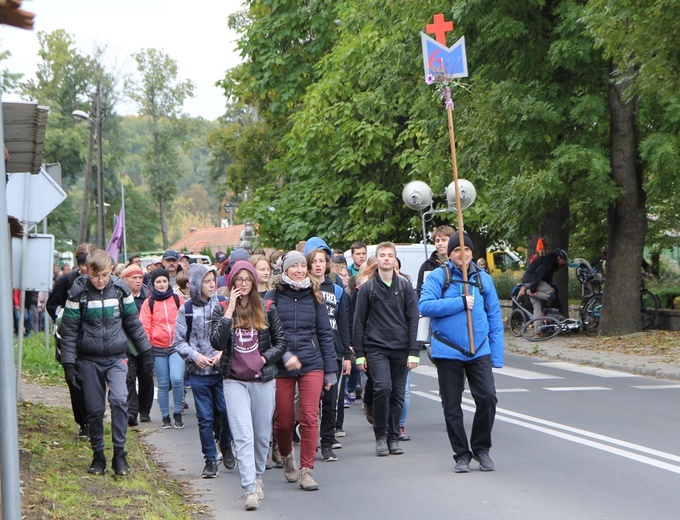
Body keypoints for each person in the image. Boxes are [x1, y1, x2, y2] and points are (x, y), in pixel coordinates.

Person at [59, 248, 154, 476]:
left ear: (111, 270)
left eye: (104, 275)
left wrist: (146, 353)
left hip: (116, 357)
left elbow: (133, 324)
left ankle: (119, 454)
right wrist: (69, 365)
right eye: (95, 276)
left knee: (120, 400)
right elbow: (70, 332)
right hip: (88, 360)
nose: (100, 280)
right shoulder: (77, 294)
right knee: (94, 409)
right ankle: (98, 455)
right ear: (87, 272)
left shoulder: (120, 291)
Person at [418, 233, 504, 473]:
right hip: (448, 352)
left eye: (466, 250)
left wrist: (496, 355)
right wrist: (459, 302)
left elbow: (495, 316)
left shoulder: (483, 279)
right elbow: (424, 306)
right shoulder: (438, 276)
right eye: (457, 250)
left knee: (487, 398)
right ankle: (462, 455)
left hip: (479, 351)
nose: (462, 254)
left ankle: (481, 448)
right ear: (450, 253)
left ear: (472, 253)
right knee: (452, 406)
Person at [210, 260, 286, 511]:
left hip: (263, 379)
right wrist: (230, 309)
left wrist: (264, 359)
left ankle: (258, 476)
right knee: (243, 434)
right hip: (234, 381)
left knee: (262, 435)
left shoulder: (267, 308)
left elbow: (281, 343)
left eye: (247, 279)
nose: (243, 284)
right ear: (231, 282)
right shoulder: (221, 308)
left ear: (254, 282)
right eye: (238, 280)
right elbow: (218, 343)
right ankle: (250, 488)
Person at [265, 251, 337, 491]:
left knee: (309, 417)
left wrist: (330, 370)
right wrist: (284, 355)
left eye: (301, 266)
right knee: (283, 421)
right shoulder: (273, 296)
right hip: (281, 365)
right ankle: (286, 455)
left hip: (311, 363)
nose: (299, 270)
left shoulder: (315, 297)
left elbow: (325, 335)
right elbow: (267, 334)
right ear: (284, 270)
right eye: (293, 266)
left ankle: (307, 470)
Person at [353, 242, 420, 457]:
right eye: (382, 255)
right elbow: (358, 323)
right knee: (383, 388)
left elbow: (414, 320)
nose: (386, 259)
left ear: (395, 259)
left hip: (400, 349)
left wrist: (414, 351)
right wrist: (360, 355)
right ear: (376, 260)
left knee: (398, 393)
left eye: (390, 255)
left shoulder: (405, 287)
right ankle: (380, 435)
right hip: (376, 348)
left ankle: (393, 437)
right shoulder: (368, 288)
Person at [173, 264, 235, 478]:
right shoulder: (186, 309)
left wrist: (221, 353)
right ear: (197, 284)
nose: (211, 285)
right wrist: (195, 356)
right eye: (207, 281)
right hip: (199, 374)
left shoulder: (223, 304)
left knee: (226, 411)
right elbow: (178, 341)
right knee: (205, 418)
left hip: (221, 371)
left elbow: (232, 334)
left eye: (213, 281)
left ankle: (225, 443)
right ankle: (210, 460)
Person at [305, 239, 352, 462]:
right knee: (312, 402)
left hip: (333, 351)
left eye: (321, 261)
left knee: (331, 400)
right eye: (313, 262)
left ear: (327, 264)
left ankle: (327, 443)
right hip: (311, 352)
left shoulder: (336, 289)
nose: (317, 265)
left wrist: (348, 354)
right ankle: (310, 441)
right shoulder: (303, 288)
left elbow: (343, 322)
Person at [47, 243, 94, 439]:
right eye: (82, 264)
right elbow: (52, 304)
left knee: (92, 381)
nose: (85, 268)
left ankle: (94, 419)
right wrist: (64, 317)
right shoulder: (68, 280)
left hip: (94, 341)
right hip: (70, 340)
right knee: (74, 380)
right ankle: (83, 422)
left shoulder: (102, 281)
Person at [140, 268, 184, 429]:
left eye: (164, 281)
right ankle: (165, 416)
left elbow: (185, 320)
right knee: (164, 383)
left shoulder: (177, 299)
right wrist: (148, 346)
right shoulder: (148, 303)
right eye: (158, 281)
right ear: (153, 284)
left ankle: (178, 412)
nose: (162, 284)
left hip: (176, 346)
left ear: (168, 282)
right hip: (157, 348)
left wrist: (184, 339)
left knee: (177, 379)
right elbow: (145, 326)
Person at [121, 264, 154, 426]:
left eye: (140, 277)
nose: (138, 281)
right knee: (129, 377)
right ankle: (131, 411)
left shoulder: (149, 296)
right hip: (127, 345)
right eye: (134, 278)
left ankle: (144, 410)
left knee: (146, 376)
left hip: (146, 344)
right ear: (125, 279)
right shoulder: (120, 297)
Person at [519, 248, 569, 319]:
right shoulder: (548, 263)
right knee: (551, 295)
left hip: (533, 282)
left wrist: (550, 286)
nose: (563, 263)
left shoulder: (551, 264)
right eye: (563, 261)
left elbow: (546, 278)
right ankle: (527, 292)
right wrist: (532, 290)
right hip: (531, 281)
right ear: (558, 257)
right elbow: (537, 275)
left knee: (538, 311)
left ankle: (537, 329)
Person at [416, 225, 455, 295]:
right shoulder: (427, 266)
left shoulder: (459, 264)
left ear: (452, 241)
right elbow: (420, 292)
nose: (440, 243)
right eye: (437, 241)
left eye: (444, 240)